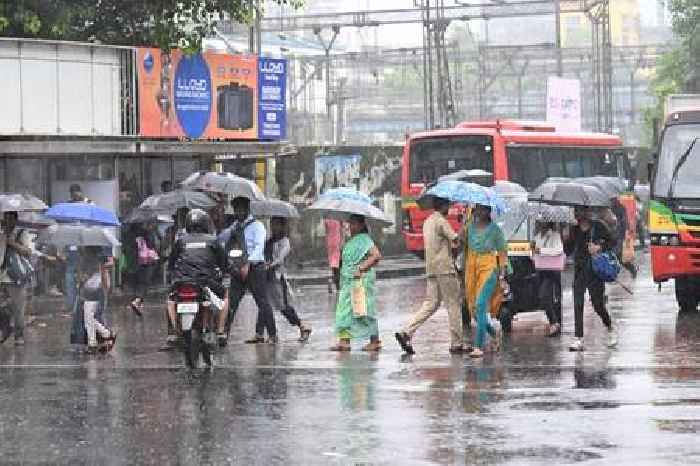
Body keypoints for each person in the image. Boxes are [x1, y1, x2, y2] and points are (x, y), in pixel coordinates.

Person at [395, 197, 465, 355]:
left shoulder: (427, 221)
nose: (449, 208)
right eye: (448, 205)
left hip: (431, 268)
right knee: (453, 304)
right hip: (445, 268)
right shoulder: (441, 221)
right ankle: (457, 343)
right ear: (444, 205)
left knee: (431, 304)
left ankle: (406, 332)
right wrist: (463, 228)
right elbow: (456, 240)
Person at [217, 196, 275, 345]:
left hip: (255, 267)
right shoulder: (235, 227)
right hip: (237, 268)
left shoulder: (257, 226)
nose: (239, 212)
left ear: (247, 209)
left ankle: (272, 334)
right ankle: (224, 333)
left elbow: (258, 247)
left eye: (241, 209)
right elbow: (222, 239)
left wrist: (248, 264)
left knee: (262, 302)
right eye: (236, 209)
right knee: (232, 301)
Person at [166, 209, 228, 344]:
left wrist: (172, 275)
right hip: (206, 281)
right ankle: (221, 331)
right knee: (225, 295)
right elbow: (224, 263)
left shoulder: (180, 241)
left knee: (171, 299)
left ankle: (172, 332)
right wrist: (226, 272)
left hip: (182, 281)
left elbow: (171, 262)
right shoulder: (213, 240)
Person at [563, 207, 617, 352]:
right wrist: (566, 237)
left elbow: (613, 242)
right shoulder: (574, 229)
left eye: (579, 211)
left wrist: (599, 247)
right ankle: (578, 338)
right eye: (575, 212)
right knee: (578, 303)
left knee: (598, 305)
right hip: (580, 271)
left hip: (595, 272)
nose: (577, 215)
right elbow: (568, 250)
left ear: (586, 212)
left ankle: (610, 327)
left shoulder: (598, 226)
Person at [0, 211, 54, 345]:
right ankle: (6, 327)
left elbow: (28, 252)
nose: (7, 222)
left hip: (16, 276)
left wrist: (11, 243)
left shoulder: (21, 233)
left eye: (9, 219)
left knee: (18, 308)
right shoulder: (1, 233)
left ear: (15, 220)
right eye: (5, 219)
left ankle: (19, 335)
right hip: (2, 274)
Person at [330, 215, 382, 352]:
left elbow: (376, 255)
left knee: (365, 311)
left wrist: (361, 268)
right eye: (349, 223)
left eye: (353, 224)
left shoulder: (364, 240)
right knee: (344, 311)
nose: (350, 227)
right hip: (347, 281)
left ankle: (375, 341)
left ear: (360, 225)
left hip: (360, 281)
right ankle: (344, 341)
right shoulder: (350, 241)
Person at [463, 203, 508, 358]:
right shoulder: (469, 227)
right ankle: (494, 333)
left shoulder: (495, 230)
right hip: (471, 270)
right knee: (474, 310)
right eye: (476, 208)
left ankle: (478, 346)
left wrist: (502, 276)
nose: (477, 211)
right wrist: (463, 224)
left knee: (481, 305)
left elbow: (502, 254)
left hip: (489, 269)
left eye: (481, 209)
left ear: (487, 211)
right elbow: (458, 242)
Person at [265, 217, 312, 342]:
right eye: (272, 225)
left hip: (277, 278)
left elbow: (280, 258)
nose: (273, 227)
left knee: (284, 307)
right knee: (264, 305)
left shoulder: (285, 241)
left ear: (282, 226)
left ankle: (302, 325)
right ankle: (265, 334)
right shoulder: (268, 242)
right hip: (266, 278)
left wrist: (270, 265)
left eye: (276, 225)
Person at [78, 246, 117, 354]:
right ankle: (103, 336)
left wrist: (101, 268)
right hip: (92, 285)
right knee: (88, 316)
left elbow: (110, 262)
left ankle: (96, 341)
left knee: (89, 315)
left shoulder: (99, 253)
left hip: (95, 286)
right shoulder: (88, 254)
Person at [533, 220, 564, 337]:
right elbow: (534, 254)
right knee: (545, 298)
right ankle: (555, 323)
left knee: (545, 296)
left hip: (552, 271)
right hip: (541, 270)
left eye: (541, 221)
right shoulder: (537, 237)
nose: (539, 223)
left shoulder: (555, 235)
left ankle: (554, 323)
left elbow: (559, 250)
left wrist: (542, 250)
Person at [128, 219, 161, 316]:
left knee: (138, 282)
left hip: (137, 261)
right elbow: (153, 246)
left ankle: (138, 302)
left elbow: (131, 248)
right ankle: (137, 301)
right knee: (145, 283)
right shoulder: (148, 233)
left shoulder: (132, 235)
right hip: (147, 261)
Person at [610, 198, 637, 279]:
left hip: (618, 236)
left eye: (612, 201)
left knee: (618, 256)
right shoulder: (610, 208)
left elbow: (624, 222)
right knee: (614, 256)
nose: (611, 202)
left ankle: (632, 269)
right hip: (612, 235)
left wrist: (625, 232)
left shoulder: (620, 208)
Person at [324, 219, 343, 293]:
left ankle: (332, 280)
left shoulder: (327, 220)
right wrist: (342, 242)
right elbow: (342, 231)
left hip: (330, 243)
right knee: (338, 264)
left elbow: (326, 232)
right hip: (338, 242)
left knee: (333, 264)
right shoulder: (339, 219)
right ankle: (337, 285)